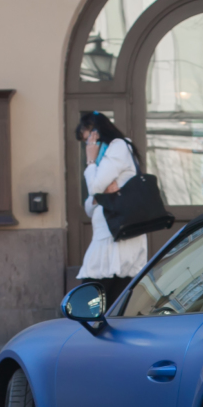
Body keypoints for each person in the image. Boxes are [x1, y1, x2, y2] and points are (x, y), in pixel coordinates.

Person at [75, 112, 148, 306]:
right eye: (86, 143)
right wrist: (100, 196)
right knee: (107, 303)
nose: (88, 146)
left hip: (117, 238)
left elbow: (95, 187)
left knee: (95, 303)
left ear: (96, 133)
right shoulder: (105, 160)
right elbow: (89, 206)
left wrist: (90, 161)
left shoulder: (118, 147)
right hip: (107, 238)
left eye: (88, 140)